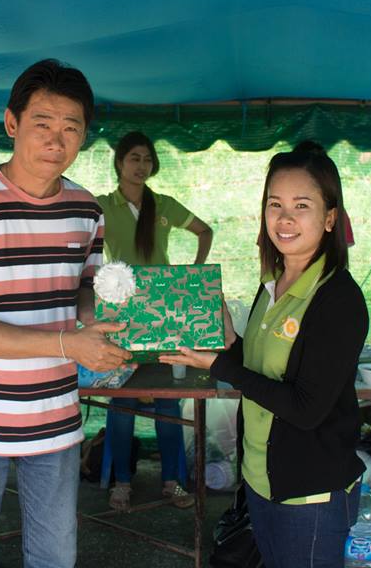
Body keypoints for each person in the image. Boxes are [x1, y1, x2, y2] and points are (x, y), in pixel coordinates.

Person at [0, 59, 131, 568]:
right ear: (12, 123)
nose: (56, 140)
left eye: (71, 127)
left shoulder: (86, 210)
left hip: (55, 419)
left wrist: (114, 317)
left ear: (84, 135)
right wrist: (67, 344)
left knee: (55, 558)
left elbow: (82, 291)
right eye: (42, 123)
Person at [162, 141, 369, 567]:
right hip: (260, 482)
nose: (285, 218)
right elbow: (259, 370)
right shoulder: (273, 281)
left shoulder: (338, 299)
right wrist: (229, 341)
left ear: (330, 217)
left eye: (301, 206)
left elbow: (306, 408)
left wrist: (219, 365)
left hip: (310, 495)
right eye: (275, 204)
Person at [95, 131, 213, 511]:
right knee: (121, 401)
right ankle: (121, 483)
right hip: (120, 316)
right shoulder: (101, 206)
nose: (141, 165)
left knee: (168, 400)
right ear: (119, 162)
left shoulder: (164, 204)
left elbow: (204, 231)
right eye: (134, 158)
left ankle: (173, 482)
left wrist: (193, 274)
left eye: (147, 159)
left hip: (164, 315)